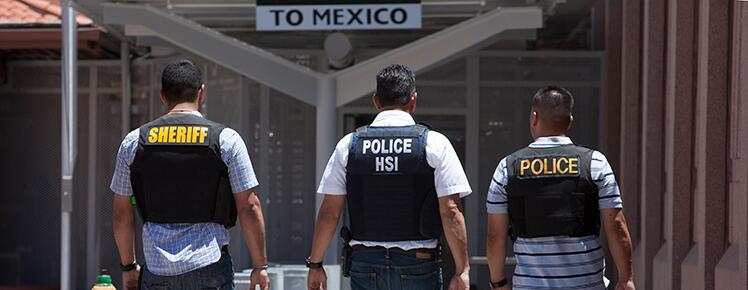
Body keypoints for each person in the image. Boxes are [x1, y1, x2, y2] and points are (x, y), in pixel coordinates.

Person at [306, 64, 472, 290]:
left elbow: (330, 211)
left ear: (376, 101)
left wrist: (315, 264)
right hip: (418, 264)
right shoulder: (434, 144)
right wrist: (462, 270)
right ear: (413, 100)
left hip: (365, 264)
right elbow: (450, 210)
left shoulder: (349, 145)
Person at [111, 59, 270, 290]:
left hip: (157, 269)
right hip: (209, 265)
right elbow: (249, 206)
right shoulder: (225, 140)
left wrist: (128, 268)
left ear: (162, 96)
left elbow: (121, 215)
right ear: (201, 92)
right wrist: (260, 266)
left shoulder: (134, 142)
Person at [485, 86, 635, 290]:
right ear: (570, 121)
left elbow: (496, 236)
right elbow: (616, 226)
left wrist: (498, 283)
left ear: (534, 117)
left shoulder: (507, 168)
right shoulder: (594, 163)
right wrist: (626, 279)